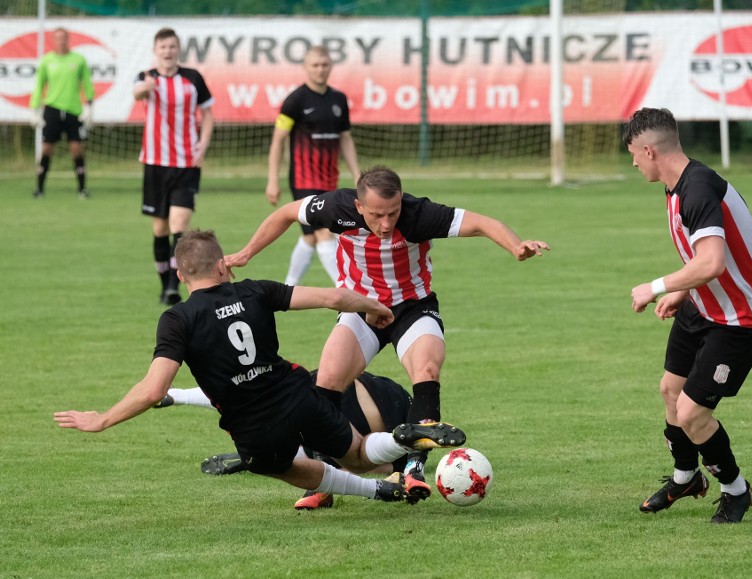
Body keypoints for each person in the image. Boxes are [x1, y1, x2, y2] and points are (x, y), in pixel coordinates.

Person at [53, 230, 467, 507]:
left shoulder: (177, 319)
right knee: (359, 452)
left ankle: (377, 491)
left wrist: (103, 420)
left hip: (252, 424)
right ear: (222, 265)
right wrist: (374, 306)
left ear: (180, 275)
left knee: (278, 466)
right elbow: (331, 297)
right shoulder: (256, 290)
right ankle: (403, 438)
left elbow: (151, 389)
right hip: (297, 394)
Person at [225, 164, 548, 494]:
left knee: (427, 368)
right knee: (327, 381)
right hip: (361, 308)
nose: (386, 223)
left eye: (392, 213)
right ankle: (323, 478)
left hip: (412, 307)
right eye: (377, 215)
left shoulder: (418, 214)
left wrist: (515, 246)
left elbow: (480, 223)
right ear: (359, 206)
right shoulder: (337, 207)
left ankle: (413, 468)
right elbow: (288, 212)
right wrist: (248, 252)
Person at [623, 107, 752, 524]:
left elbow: (711, 261)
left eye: (634, 156)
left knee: (693, 412)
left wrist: (658, 286)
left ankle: (736, 490)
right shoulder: (677, 186)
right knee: (671, 391)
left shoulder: (697, 189)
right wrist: (683, 291)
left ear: (648, 150)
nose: (634, 163)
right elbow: (706, 261)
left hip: (744, 316)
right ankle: (686, 477)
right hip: (705, 305)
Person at [157, 370, 413, 510]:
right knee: (356, 459)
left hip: (337, 396)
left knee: (260, 405)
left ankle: (263, 456)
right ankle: (267, 457)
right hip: (367, 410)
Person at [133, 28, 215, 306]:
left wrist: (203, 144)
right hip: (156, 164)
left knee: (180, 224)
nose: (167, 51)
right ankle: (164, 284)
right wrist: (145, 88)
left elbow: (208, 113)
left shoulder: (193, 77)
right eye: (163, 47)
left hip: (186, 163)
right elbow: (137, 93)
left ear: (178, 49)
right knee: (160, 229)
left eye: (172, 46)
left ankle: (172, 286)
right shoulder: (147, 77)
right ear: (156, 50)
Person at [266, 45, 360, 287]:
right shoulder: (295, 100)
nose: (320, 70)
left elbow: (346, 138)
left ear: (331, 67)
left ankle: (288, 287)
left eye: (324, 65)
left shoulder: (339, 99)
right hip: (303, 180)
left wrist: (357, 174)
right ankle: (346, 288)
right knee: (323, 233)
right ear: (305, 68)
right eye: (315, 65)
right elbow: (278, 140)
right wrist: (273, 180)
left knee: (309, 238)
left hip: (329, 179)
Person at [29, 27, 95, 200]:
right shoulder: (46, 61)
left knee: (76, 149)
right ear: (53, 40)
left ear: (68, 39)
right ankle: (40, 188)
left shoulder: (78, 60)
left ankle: (82, 189)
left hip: (74, 111)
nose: (61, 41)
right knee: (47, 148)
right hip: (52, 109)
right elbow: (39, 86)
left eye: (64, 38)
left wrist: (89, 106)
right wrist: (34, 109)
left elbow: (87, 83)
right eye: (57, 38)